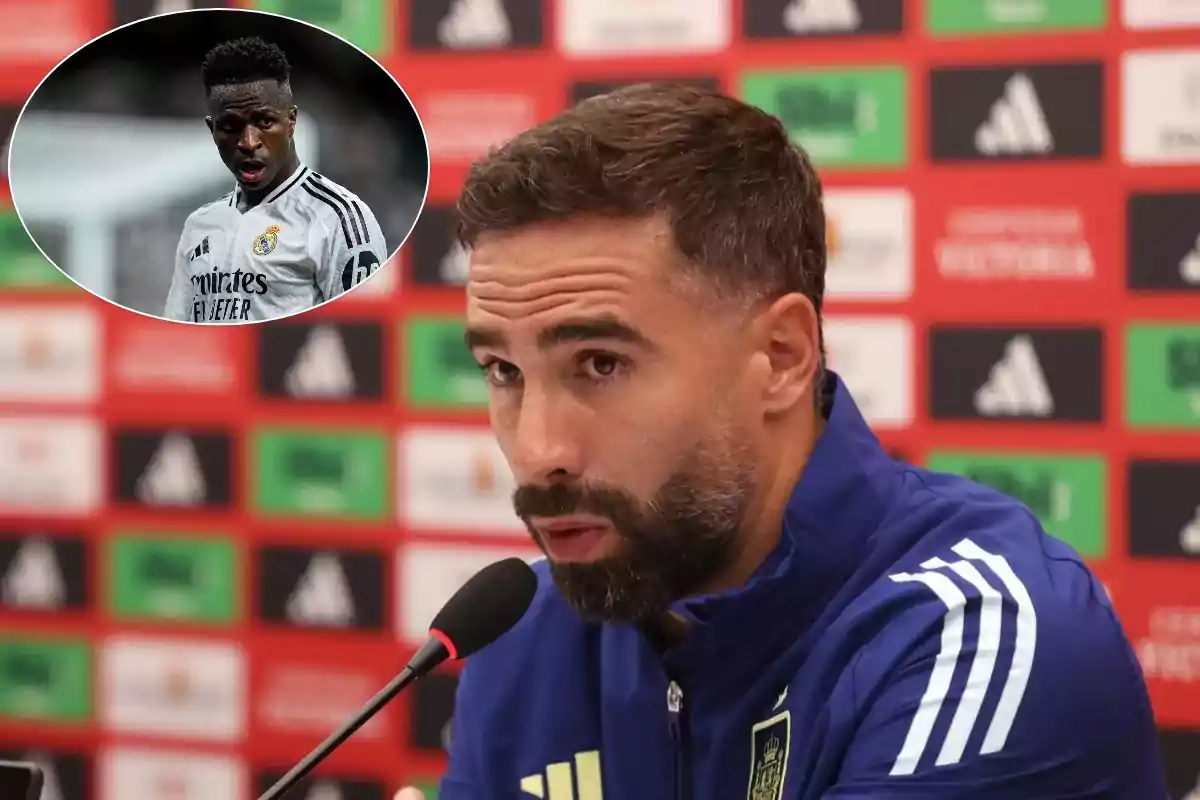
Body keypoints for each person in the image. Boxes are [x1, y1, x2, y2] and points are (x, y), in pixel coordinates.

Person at [395, 84, 1167, 799]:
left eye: (600, 364)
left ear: (783, 358)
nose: (537, 451)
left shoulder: (978, 640)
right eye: (502, 370)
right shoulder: (524, 637)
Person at [164, 36, 386, 324]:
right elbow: (178, 325)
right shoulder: (199, 225)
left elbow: (362, 335)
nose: (248, 142)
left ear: (291, 121)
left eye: (265, 122)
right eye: (230, 126)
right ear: (212, 129)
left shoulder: (339, 219)